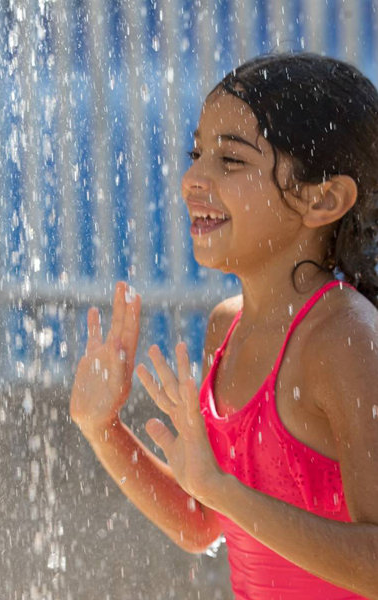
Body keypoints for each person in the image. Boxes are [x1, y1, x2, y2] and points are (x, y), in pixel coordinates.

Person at [70, 53, 378, 599]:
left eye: (231, 159)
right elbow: (202, 522)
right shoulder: (226, 327)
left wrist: (225, 493)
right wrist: (102, 427)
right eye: (197, 154)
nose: (192, 179)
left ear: (322, 199)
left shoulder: (345, 339)